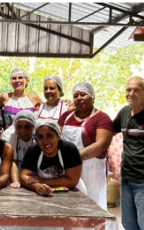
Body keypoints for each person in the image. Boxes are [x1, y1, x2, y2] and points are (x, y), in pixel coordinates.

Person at [113, 76, 144, 230]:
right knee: (128, 224)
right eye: (128, 89)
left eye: (136, 90)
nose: (131, 93)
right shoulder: (124, 112)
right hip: (126, 178)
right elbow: (106, 131)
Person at [58, 82, 113, 210]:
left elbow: (101, 145)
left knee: (93, 205)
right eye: (76, 96)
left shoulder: (102, 118)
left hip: (91, 168)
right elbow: (56, 136)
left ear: (92, 96)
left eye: (83, 94)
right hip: (67, 167)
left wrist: (74, 158)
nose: (79, 98)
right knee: (70, 205)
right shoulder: (66, 116)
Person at [20, 120, 85, 196]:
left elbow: (72, 181)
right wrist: (36, 186)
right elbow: (24, 177)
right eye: (40, 137)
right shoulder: (33, 150)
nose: (45, 141)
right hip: (45, 194)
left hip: (73, 193)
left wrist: (42, 181)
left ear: (58, 136)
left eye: (49, 135)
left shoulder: (69, 149)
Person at [1, 110, 36, 188]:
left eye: (27, 127)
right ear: (15, 127)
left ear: (33, 127)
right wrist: (16, 181)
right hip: (17, 173)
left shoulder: (38, 138)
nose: (23, 130)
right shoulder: (12, 137)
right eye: (19, 127)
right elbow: (13, 161)